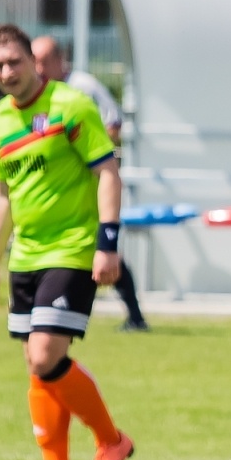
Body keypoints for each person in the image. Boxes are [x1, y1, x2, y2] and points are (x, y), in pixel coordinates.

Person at [0, 24, 135, 460]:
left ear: (33, 61)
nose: (6, 73)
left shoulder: (71, 106)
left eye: (13, 62)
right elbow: (1, 196)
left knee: (46, 353)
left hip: (73, 247)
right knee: (36, 363)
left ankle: (111, 441)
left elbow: (108, 172)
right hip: (25, 255)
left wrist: (107, 244)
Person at [32, 34, 150, 333]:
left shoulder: (83, 87)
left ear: (61, 61)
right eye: (35, 62)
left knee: (100, 250)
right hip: (60, 190)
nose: (39, 68)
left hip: (90, 186)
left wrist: (90, 154)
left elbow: (113, 123)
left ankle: (133, 316)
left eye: (44, 61)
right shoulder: (39, 95)